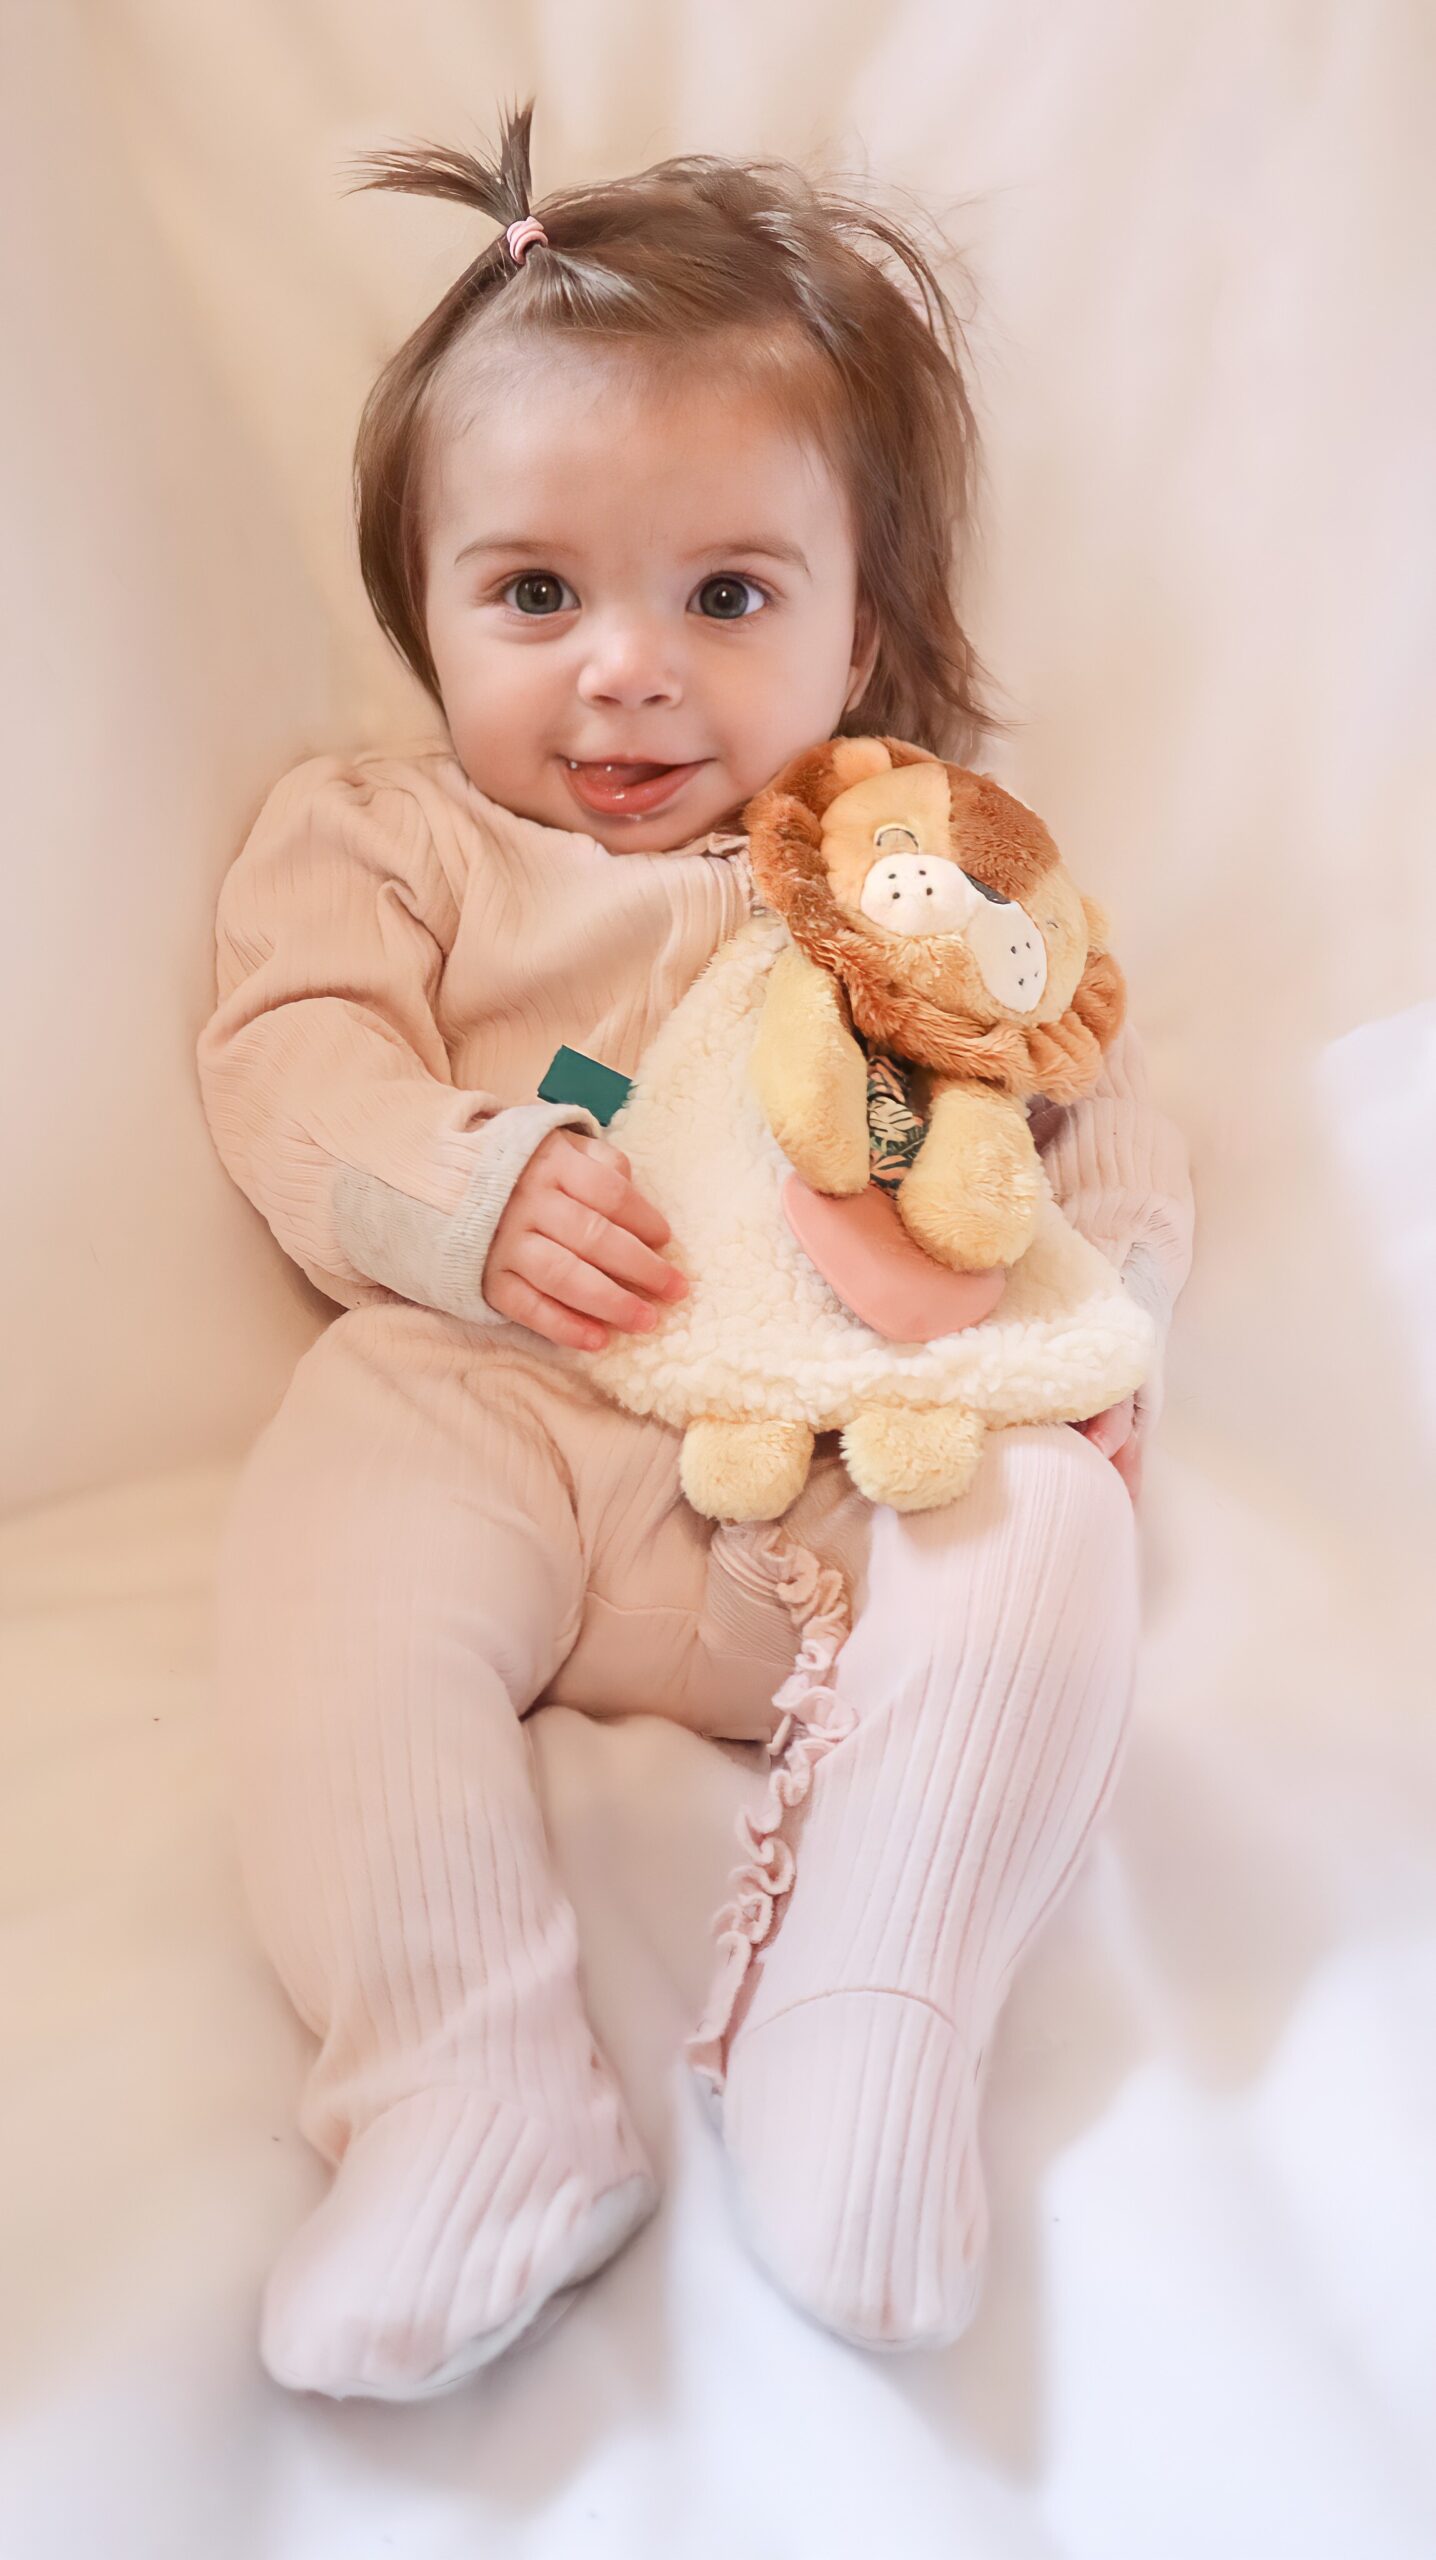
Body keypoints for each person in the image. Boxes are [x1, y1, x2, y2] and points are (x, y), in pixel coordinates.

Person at [196, 98, 1195, 2401]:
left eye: (723, 595)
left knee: (1043, 1522)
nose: (625, 673)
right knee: (334, 1516)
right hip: (514, 1403)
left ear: (864, 631)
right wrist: (462, 1191)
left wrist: (1095, 1319)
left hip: (843, 1458)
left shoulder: (921, 863)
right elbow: (289, 1062)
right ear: (422, 607)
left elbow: (1102, 1101)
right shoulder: (390, 837)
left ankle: (866, 2013)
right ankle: (468, 2085)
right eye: (534, 594)